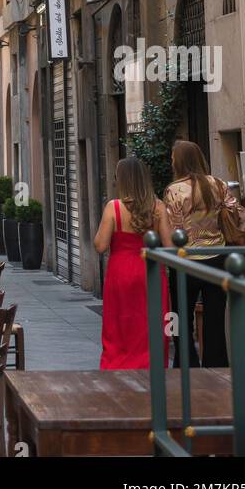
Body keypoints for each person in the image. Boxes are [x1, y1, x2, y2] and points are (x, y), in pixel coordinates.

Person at [94, 157, 172, 371]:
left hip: (121, 273)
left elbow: (100, 245)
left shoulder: (114, 208)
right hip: (152, 272)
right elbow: (169, 245)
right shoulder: (158, 207)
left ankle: (117, 365)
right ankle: (150, 365)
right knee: (153, 323)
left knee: (118, 324)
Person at [163, 139, 235, 368]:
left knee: (179, 316)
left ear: (181, 161)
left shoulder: (174, 190)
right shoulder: (218, 184)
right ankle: (217, 364)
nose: (171, 162)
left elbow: (174, 229)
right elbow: (235, 212)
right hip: (217, 258)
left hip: (185, 262)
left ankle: (185, 362)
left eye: (173, 158)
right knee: (215, 317)